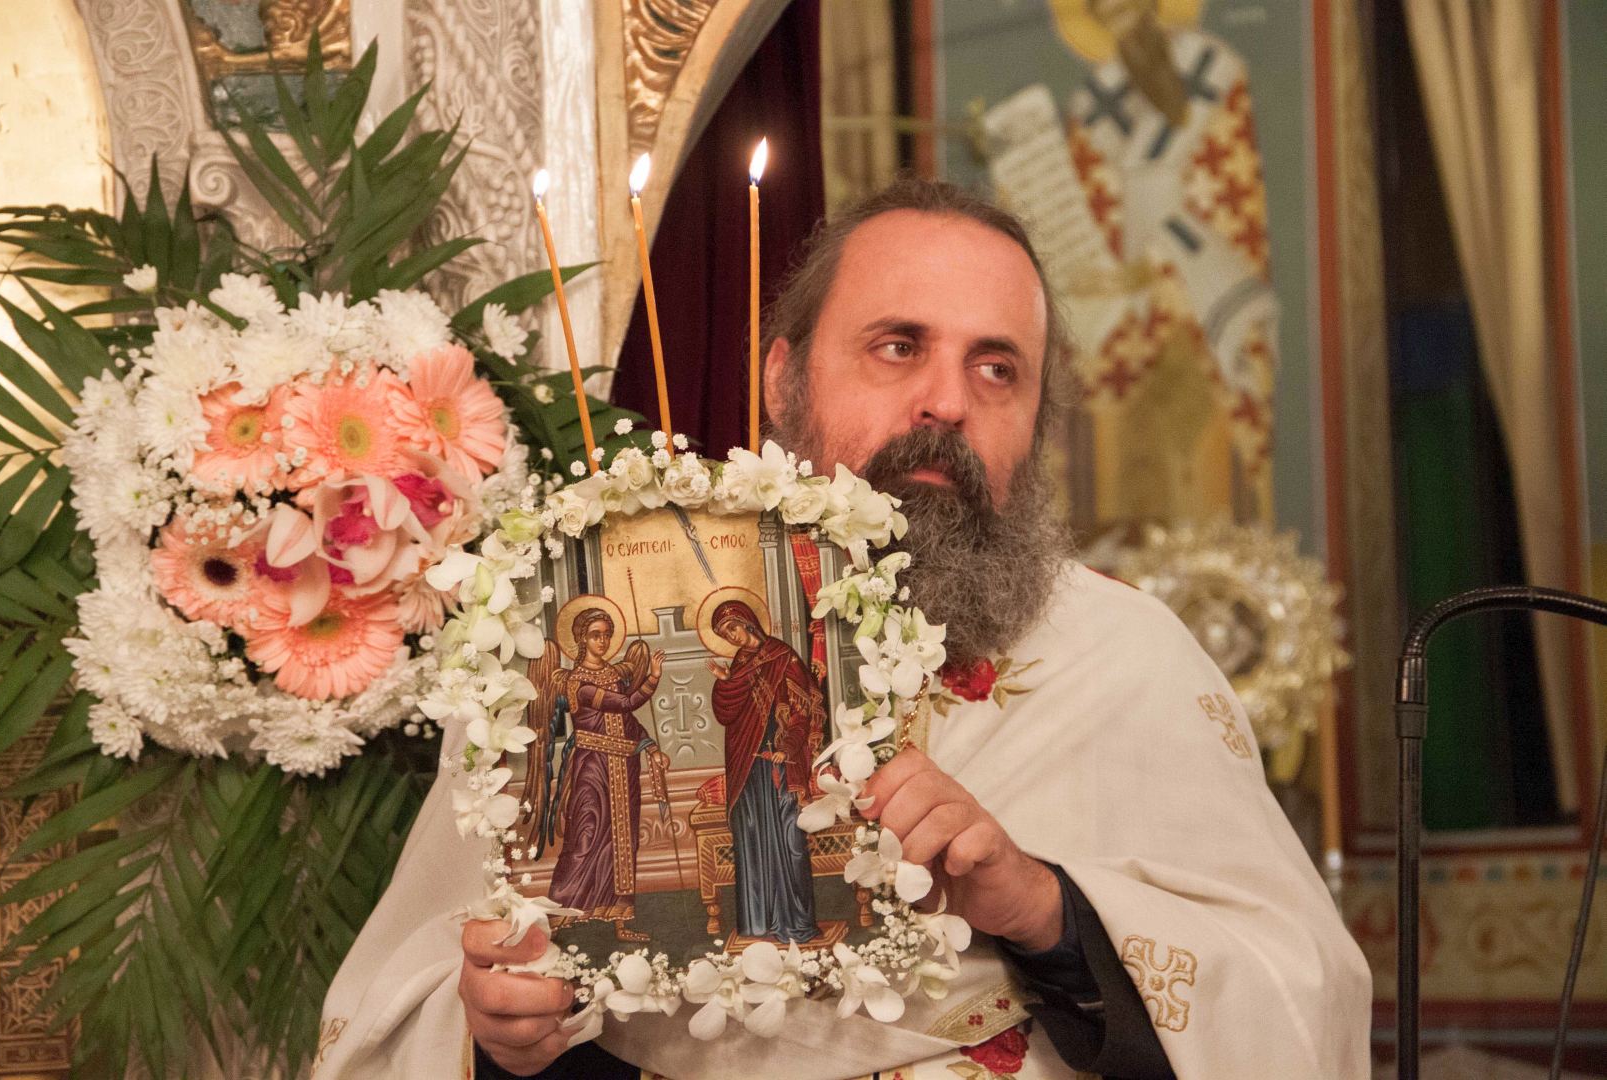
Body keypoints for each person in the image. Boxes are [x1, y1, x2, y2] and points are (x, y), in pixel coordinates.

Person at [313, 178, 1371, 1079]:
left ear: (1037, 421)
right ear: (783, 380)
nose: (946, 402)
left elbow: (1297, 988)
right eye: (898, 347)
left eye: (996, 368)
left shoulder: (1126, 659)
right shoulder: (579, 618)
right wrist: (501, 1034)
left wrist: (1043, 908)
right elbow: (406, 995)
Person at [542, 606, 670, 943]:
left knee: (622, 844)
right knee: (585, 838)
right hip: (593, 767)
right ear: (582, 639)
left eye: (607, 635)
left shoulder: (614, 674)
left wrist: (651, 747)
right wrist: (653, 677)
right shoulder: (577, 681)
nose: (602, 641)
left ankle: (620, 919)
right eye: (595, 635)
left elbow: (628, 721)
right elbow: (623, 704)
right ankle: (558, 915)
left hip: (624, 769)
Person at [705, 599, 825, 944]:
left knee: (789, 838)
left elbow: (805, 708)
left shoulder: (782, 657)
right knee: (753, 837)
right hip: (748, 765)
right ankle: (759, 923)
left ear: (747, 621)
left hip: (782, 763)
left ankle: (796, 922)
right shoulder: (739, 664)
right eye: (724, 634)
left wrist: (788, 746)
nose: (731, 637)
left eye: (732, 627)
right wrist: (725, 682)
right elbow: (727, 714)